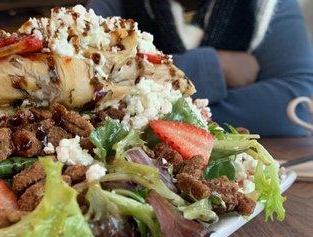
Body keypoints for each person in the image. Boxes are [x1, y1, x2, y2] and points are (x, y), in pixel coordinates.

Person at [88, 0, 313, 136]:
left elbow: (299, 107)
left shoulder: (266, 6)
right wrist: (212, 67)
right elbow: (87, 80)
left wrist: (142, 105)